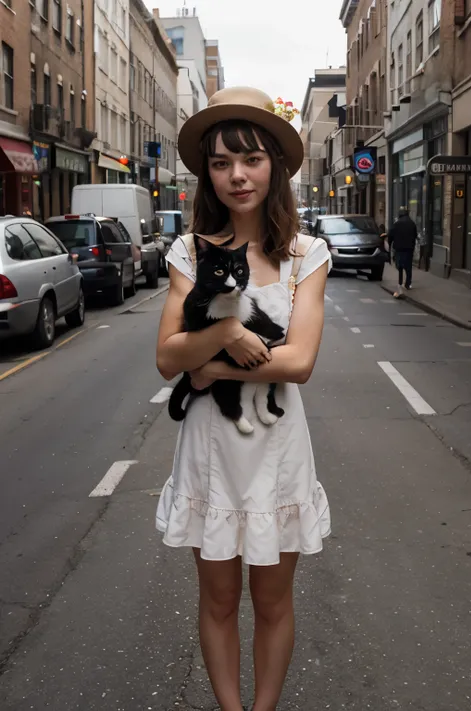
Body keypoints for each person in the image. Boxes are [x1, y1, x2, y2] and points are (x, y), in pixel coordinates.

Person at [156, 87, 331, 711]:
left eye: (252, 159)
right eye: (222, 162)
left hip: (279, 448)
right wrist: (230, 332)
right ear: (207, 171)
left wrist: (213, 369)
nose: (237, 175)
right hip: (210, 452)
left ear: (275, 166)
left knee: (274, 601)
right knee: (219, 601)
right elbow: (167, 357)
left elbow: (300, 362)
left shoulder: (306, 256)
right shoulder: (190, 251)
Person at [387, 207, 418, 297]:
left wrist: (389, 245)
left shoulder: (397, 224)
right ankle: (408, 283)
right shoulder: (412, 223)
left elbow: (390, 235)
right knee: (408, 267)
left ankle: (400, 282)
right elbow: (415, 235)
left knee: (400, 266)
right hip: (409, 248)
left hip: (399, 248)